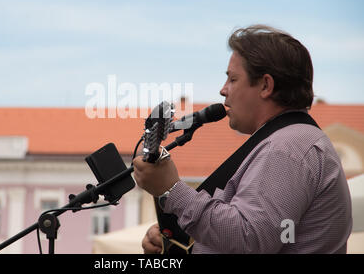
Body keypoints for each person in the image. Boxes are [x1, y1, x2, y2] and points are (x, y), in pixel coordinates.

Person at [133, 25, 353, 254]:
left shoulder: (284, 149)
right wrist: (177, 241)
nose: (222, 90)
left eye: (233, 79)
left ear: (265, 85)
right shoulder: (290, 142)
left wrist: (172, 190)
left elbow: (249, 241)